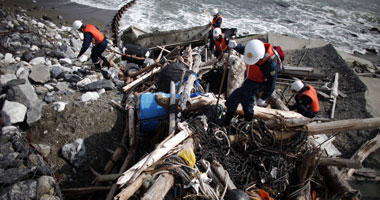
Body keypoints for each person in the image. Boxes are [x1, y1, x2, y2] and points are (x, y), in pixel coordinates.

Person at [223, 39, 280, 125]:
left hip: (258, 83)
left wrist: (264, 97)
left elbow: (271, 83)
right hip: (251, 78)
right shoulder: (254, 48)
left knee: (235, 97)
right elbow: (244, 50)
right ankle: (248, 121)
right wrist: (236, 46)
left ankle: (226, 122)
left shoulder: (270, 64)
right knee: (247, 100)